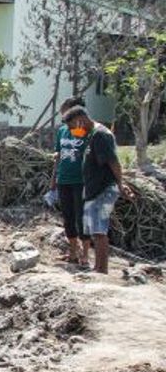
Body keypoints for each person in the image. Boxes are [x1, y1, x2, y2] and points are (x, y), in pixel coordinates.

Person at [63, 106, 134, 274]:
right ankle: (98, 268)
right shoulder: (92, 135)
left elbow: (113, 162)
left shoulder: (100, 135)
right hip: (94, 189)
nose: (73, 131)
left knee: (99, 231)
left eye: (73, 126)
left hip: (103, 188)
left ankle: (102, 270)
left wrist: (120, 183)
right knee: (95, 230)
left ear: (81, 119)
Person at [50, 96, 88, 266]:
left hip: (81, 181)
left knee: (82, 218)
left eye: (65, 109)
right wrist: (54, 178)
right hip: (63, 180)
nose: (62, 112)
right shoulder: (62, 131)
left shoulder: (88, 131)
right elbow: (58, 156)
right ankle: (72, 252)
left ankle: (85, 256)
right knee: (68, 218)